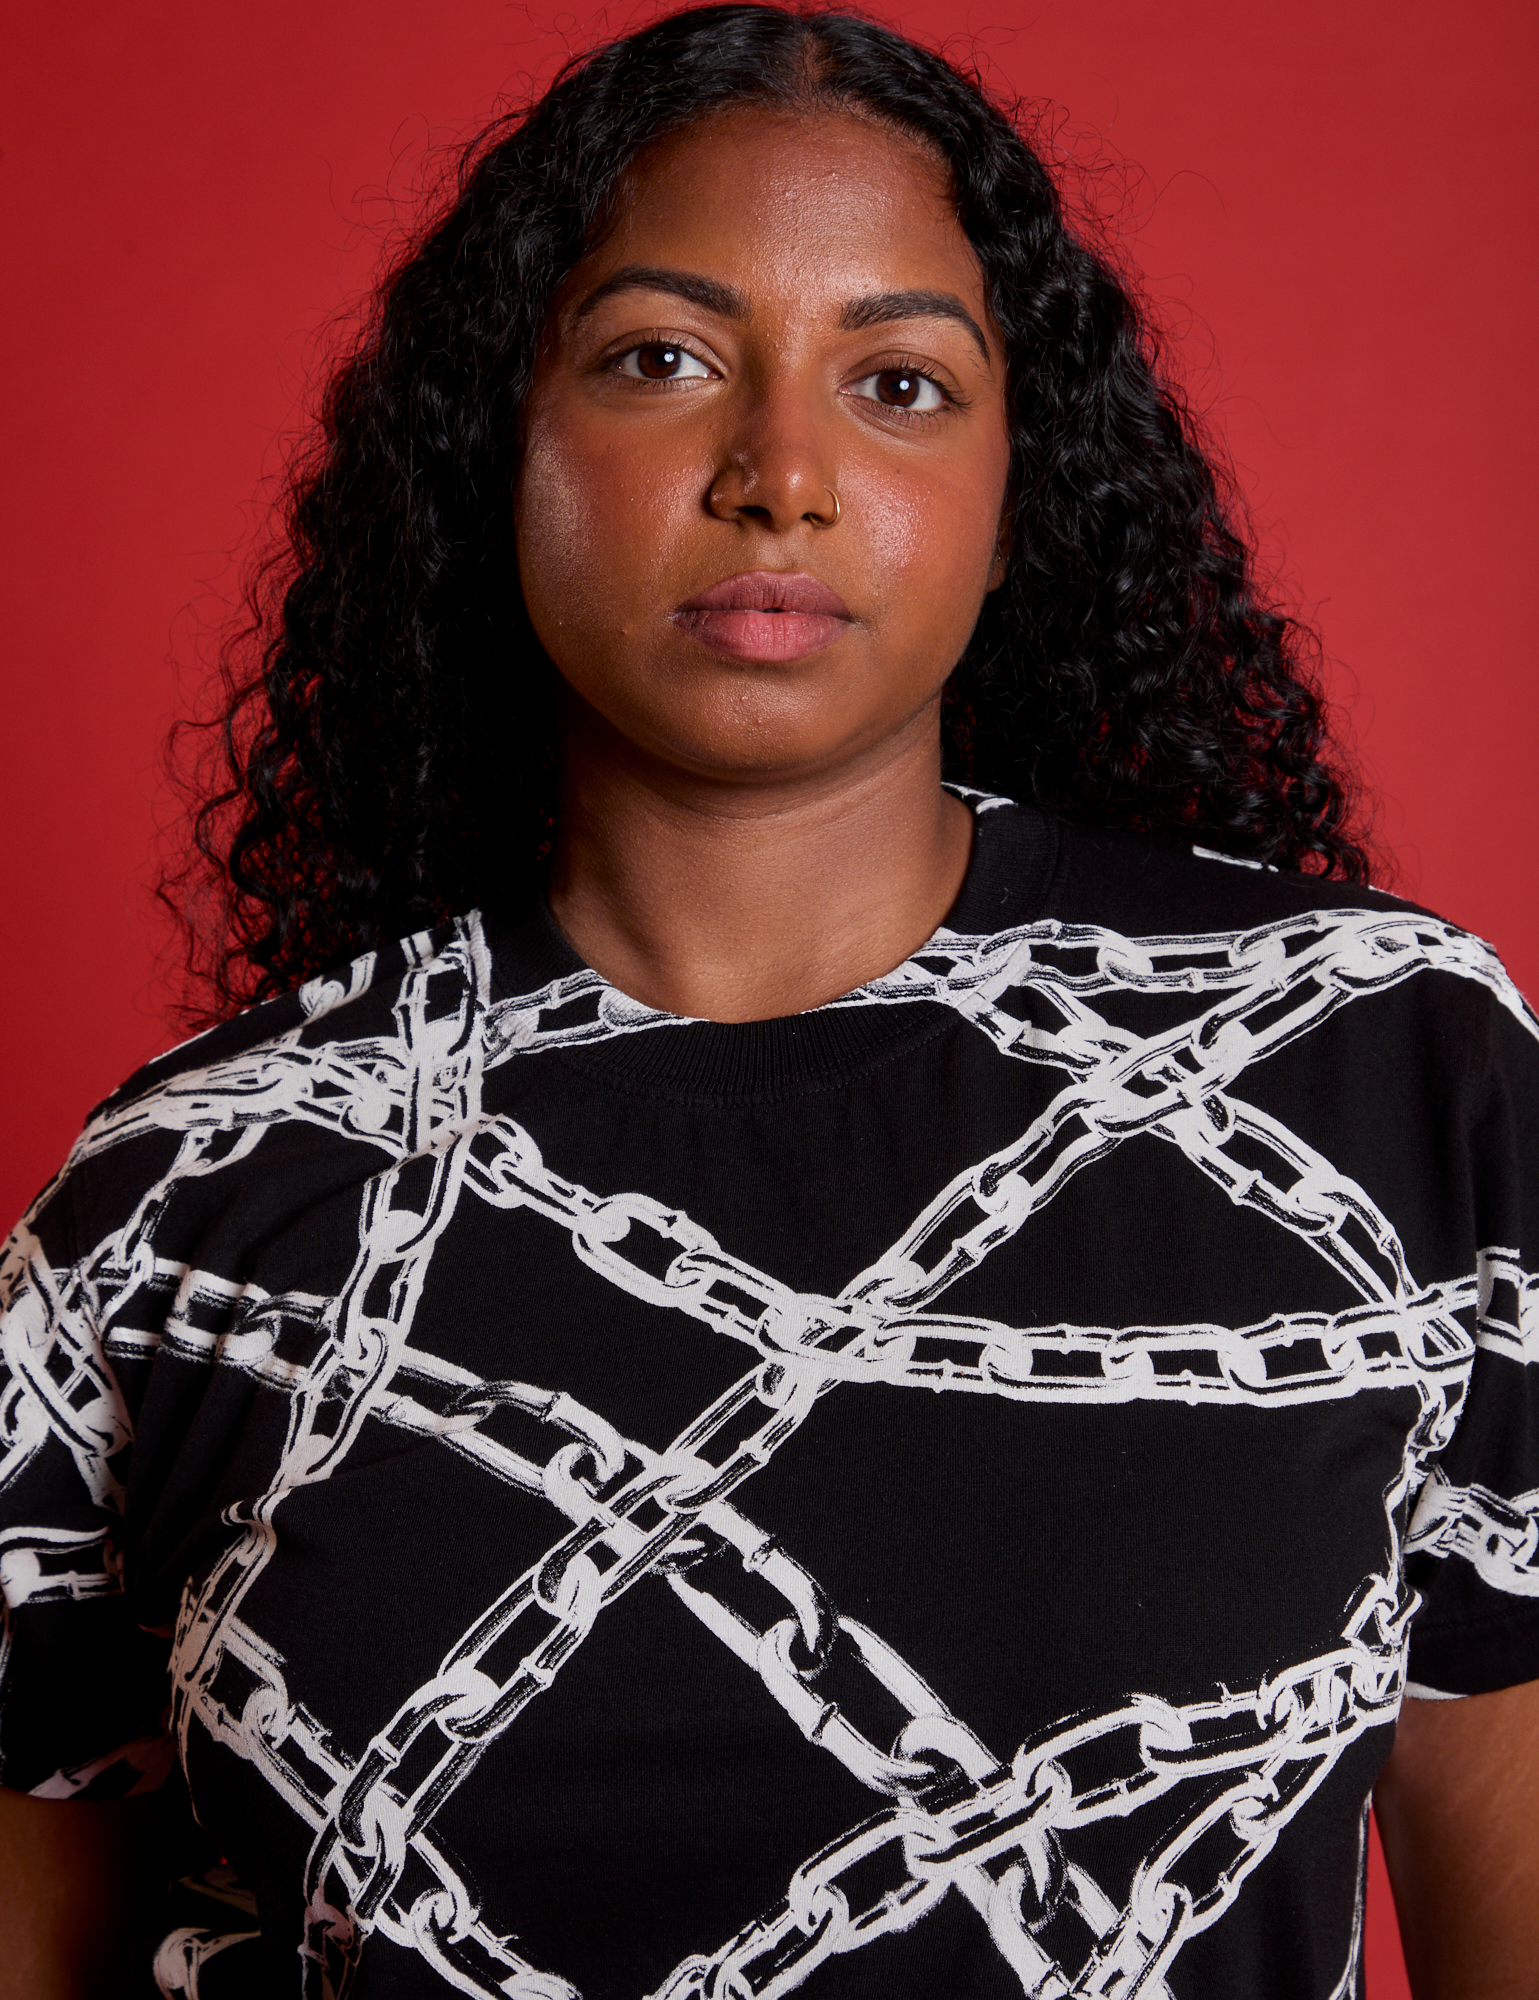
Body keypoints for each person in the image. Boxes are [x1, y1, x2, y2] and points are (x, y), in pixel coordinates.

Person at [1, 5, 1535, 1994]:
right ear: (504, 437)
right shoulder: (193, 1202)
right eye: (661, 359)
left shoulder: (1381, 1071)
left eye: (898, 380)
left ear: (1019, 481)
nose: (781, 473)